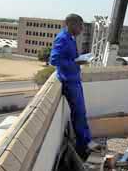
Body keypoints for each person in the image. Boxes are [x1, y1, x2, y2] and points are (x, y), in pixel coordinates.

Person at [49, 14, 101, 159]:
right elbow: (54, 60)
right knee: (78, 115)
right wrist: (76, 63)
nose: (82, 29)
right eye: (80, 25)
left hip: (74, 80)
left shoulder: (70, 38)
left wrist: (79, 60)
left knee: (81, 113)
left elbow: (68, 58)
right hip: (68, 82)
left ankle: (87, 141)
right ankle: (82, 148)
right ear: (70, 24)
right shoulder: (62, 38)